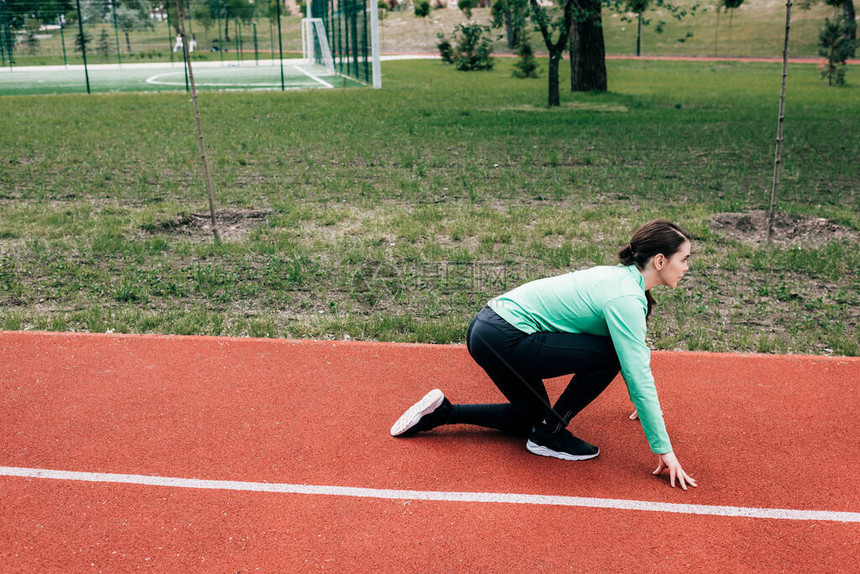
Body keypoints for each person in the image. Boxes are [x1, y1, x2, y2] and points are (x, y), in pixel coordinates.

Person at [390, 219, 697, 490]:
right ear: (660, 260)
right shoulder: (626, 298)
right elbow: (635, 368)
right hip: (505, 337)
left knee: (529, 417)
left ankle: (443, 412)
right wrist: (663, 449)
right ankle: (550, 433)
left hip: (487, 327)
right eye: (684, 259)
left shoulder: (618, 279)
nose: (686, 268)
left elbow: (633, 355)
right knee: (610, 356)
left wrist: (636, 398)